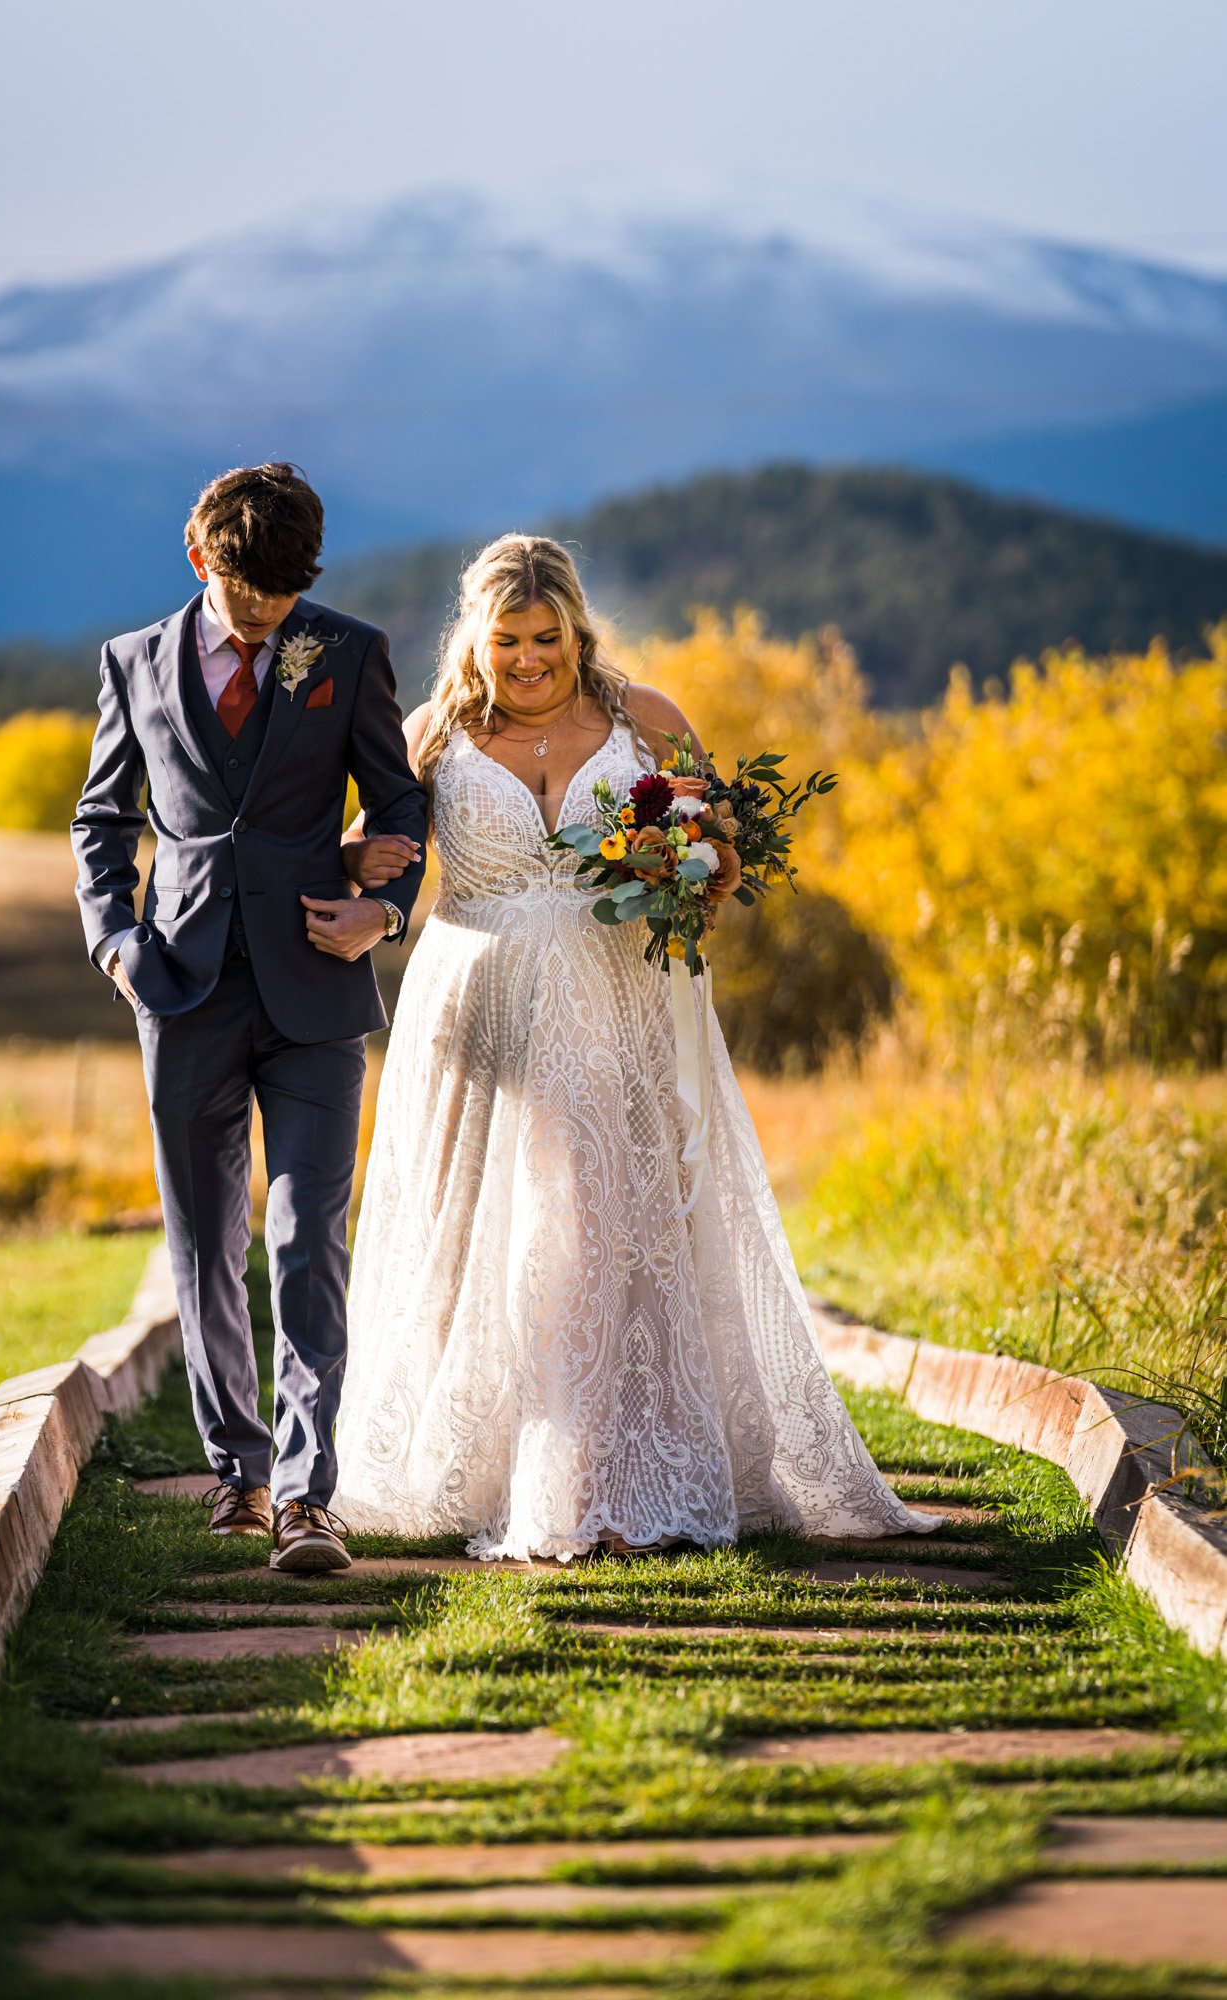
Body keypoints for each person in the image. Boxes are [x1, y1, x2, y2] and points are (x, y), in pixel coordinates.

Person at [333, 534, 939, 1560]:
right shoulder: (429, 734)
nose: (529, 658)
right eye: (507, 639)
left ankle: (599, 1473)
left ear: (577, 627)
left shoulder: (643, 720)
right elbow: (369, 854)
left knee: (599, 1223)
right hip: (476, 1014)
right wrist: (354, 860)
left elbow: (722, 847)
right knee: (482, 1233)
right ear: (473, 638)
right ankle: (482, 1460)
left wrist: (692, 872)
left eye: (547, 637)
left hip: (617, 1002)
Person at [71, 463, 427, 1571]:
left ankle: (309, 1492)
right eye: (246, 595)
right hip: (177, 988)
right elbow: (101, 817)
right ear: (200, 559)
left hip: (317, 986)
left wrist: (384, 907)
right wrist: (116, 943)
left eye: (285, 597)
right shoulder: (132, 662)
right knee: (203, 1239)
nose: (267, 615)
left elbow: (401, 796)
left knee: (308, 1234)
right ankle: (237, 1471)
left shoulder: (350, 650)